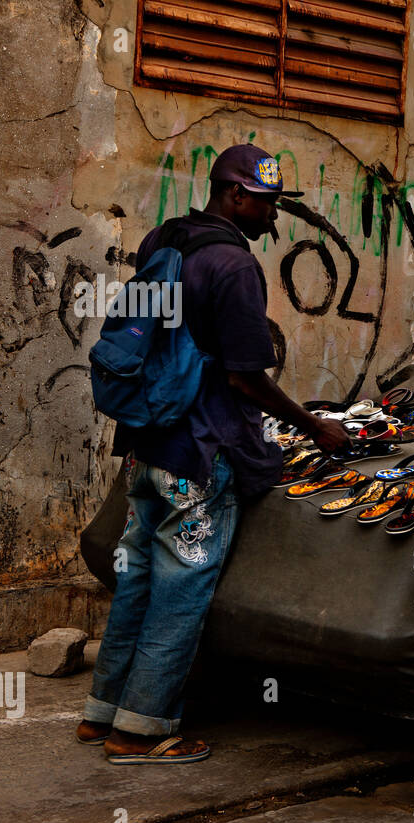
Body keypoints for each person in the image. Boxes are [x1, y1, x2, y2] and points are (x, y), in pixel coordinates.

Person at [77, 144, 349, 764]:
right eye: (266, 205)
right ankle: (141, 730)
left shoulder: (163, 242)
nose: (273, 221)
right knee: (181, 588)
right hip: (198, 455)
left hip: (145, 448)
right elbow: (245, 377)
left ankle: (101, 714)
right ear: (234, 195)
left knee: (139, 579)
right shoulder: (233, 266)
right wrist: (315, 428)